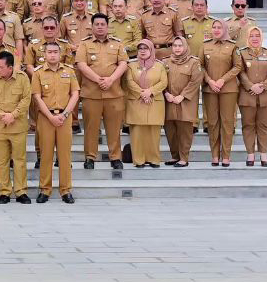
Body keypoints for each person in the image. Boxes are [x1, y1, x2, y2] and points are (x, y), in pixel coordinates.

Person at [76, 13, 128, 170]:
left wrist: (111, 79)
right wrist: (98, 79)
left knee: (114, 128)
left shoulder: (117, 44)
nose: (99, 27)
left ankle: (115, 157)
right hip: (91, 93)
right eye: (96, 24)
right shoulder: (84, 44)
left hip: (113, 93)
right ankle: (90, 157)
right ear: (92, 26)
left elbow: (124, 63)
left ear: (107, 26)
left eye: (102, 24)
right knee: (91, 128)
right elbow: (81, 64)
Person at [32, 41, 79, 203]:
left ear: (60, 54)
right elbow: (37, 97)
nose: (52, 55)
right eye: (49, 52)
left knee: (65, 155)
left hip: (65, 118)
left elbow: (75, 94)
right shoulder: (38, 73)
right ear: (44, 54)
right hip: (46, 118)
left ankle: (66, 190)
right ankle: (45, 189)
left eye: (55, 52)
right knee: (46, 154)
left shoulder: (69, 71)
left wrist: (65, 115)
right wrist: (50, 117)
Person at [0, 51, 31, 203]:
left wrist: (13, 115)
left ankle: (20, 191)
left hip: (18, 127)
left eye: (0, 66)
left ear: (10, 67)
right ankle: (4, 192)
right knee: (1, 161)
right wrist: (1, 114)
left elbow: (26, 98)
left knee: (19, 160)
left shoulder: (23, 79)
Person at [202, 18, 242, 167]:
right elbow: (200, 66)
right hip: (210, 89)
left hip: (228, 90)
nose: (217, 30)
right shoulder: (205, 46)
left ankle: (226, 155)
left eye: (219, 27)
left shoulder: (232, 46)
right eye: (214, 27)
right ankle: (214, 155)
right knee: (212, 123)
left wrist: (222, 80)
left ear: (225, 29)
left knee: (227, 122)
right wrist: (210, 81)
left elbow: (238, 66)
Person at [124, 39, 167, 167]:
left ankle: (154, 159)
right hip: (137, 101)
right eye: (140, 48)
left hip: (154, 101)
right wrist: (142, 93)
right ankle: (139, 160)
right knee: (137, 133)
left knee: (154, 133)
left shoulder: (160, 65)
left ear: (151, 50)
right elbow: (129, 81)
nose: (142, 51)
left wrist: (150, 92)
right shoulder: (131, 65)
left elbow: (164, 82)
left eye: (145, 48)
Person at [238, 26, 267, 166]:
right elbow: (240, 72)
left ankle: (264, 154)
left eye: (257, 36)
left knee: (264, 125)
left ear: (261, 38)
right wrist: (251, 86)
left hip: (266, 96)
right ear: (247, 38)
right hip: (247, 96)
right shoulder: (241, 53)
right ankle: (250, 154)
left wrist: (262, 86)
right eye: (252, 36)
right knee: (248, 125)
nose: (255, 38)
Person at [163, 35, 203, 167]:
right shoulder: (166, 62)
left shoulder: (194, 62)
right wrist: (166, 93)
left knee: (184, 130)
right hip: (169, 100)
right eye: (175, 46)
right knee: (170, 130)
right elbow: (160, 79)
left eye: (180, 45)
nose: (177, 48)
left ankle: (184, 158)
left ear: (185, 47)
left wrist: (182, 95)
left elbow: (195, 81)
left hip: (185, 101)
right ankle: (175, 156)